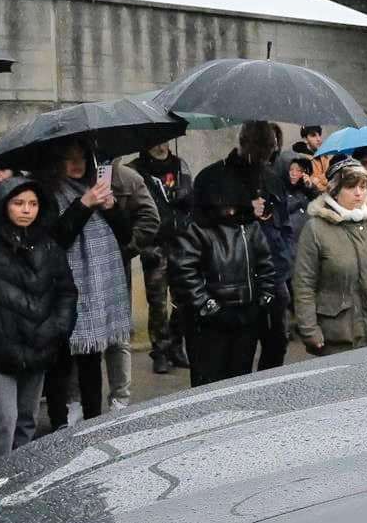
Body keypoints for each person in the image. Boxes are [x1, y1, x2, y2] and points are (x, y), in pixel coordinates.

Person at [0, 177, 77, 462]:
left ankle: (19, 483)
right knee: (2, 422)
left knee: (26, 421)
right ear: (3, 204)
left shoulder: (47, 245)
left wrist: (56, 328)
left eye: (32, 204)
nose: (26, 210)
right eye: (18, 203)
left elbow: (66, 292)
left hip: (39, 345)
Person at [38, 141, 131, 428]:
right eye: (69, 158)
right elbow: (56, 238)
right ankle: (60, 423)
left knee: (92, 360)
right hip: (64, 288)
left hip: (99, 291)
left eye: (81, 158)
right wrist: (84, 205)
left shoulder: (98, 188)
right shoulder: (48, 194)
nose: (77, 164)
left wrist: (112, 208)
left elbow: (125, 235)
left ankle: (92, 421)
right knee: (61, 363)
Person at [168, 163, 279, 387]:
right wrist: (210, 307)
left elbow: (265, 265)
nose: (229, 209)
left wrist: (262, 301)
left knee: (239, 382)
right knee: (209, 384)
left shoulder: (249, 227)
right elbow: (185, 273)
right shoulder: (196, 229)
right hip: (208, 325)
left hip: (245, 318)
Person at [194, 121, 289, 372]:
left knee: (276, 344)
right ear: (244, 143)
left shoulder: (271, 178)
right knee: (231, 364)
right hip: (228, 281)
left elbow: (282, 225)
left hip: (270, 274)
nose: (264, 156)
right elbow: (201, 222)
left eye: (269, 149)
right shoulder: (213, 178)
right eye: (260, 148)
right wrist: (244, 210)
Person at [292, 159, 367, 357]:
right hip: (339, 337)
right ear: (335, 190)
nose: (359, 193)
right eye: (351, 186)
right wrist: (310, 329)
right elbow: (304, 284)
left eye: (363, 186)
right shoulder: (316, 229)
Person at [100, 158, 161, 411]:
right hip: (77, 268)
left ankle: (120, 399)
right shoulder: (66, 176)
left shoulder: (128, 179)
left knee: (118, 335)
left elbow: (150, 219)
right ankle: (76, 402)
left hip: (114, 266)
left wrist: (125, 249)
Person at [130, 141, 192, 372]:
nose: (161, 146)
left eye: (164, 141)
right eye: (155, 142)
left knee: (183, 297)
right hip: (153, 244)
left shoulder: (179, 165)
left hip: (180, 240)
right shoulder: (136, 169)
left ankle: (177, 345)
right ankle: (160, 351)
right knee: (157, 302)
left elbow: (190, 195)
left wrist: (183, 194)